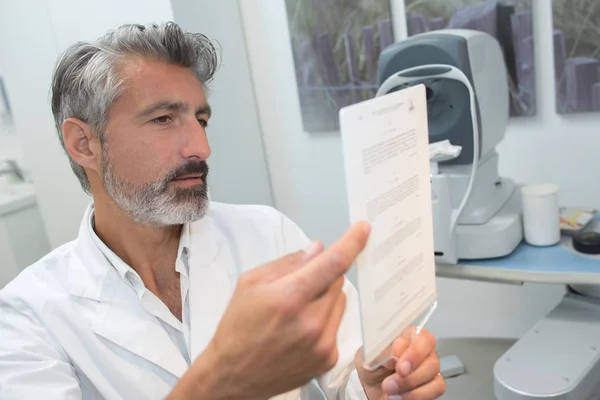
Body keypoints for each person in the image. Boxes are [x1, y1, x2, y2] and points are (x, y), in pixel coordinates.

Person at [0, 22, 445, 400]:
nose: (201, 147)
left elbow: (350, 372)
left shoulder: (267, 234)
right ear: (84, 144)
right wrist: (220, 382)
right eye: (163, 119)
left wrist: (375, 384)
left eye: (201, 119)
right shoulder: (27, 317)